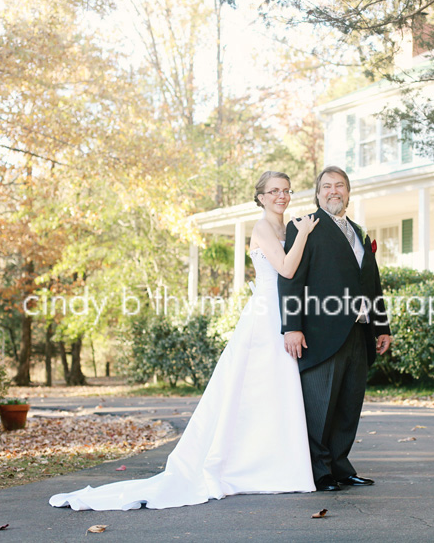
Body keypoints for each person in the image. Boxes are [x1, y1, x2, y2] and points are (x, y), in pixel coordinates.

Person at [49, 171, 319, 510]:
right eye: (274, 191)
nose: (282, 195)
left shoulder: (285, 227)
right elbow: (286, 270)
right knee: (252, 388)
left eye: (286, 190)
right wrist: (305, 234)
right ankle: (246, 468)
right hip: (264, 316)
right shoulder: (264, 228)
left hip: (282, 312)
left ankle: (274, 466)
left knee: (275, 390)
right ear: (261, 197)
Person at [279, 166, 392, 492]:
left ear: (348, 192)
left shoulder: (360, 232)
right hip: (321, 334)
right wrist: (292, 327)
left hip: (359, 332)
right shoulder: (303, 227)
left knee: (348, 405)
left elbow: (372, 284)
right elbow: (290, 280)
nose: (333, 191)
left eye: (339, 186)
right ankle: (319, 472)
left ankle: (341, 467)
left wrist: (381, 326)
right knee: (320, 407)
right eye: (326, 186)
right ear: (317, 193)